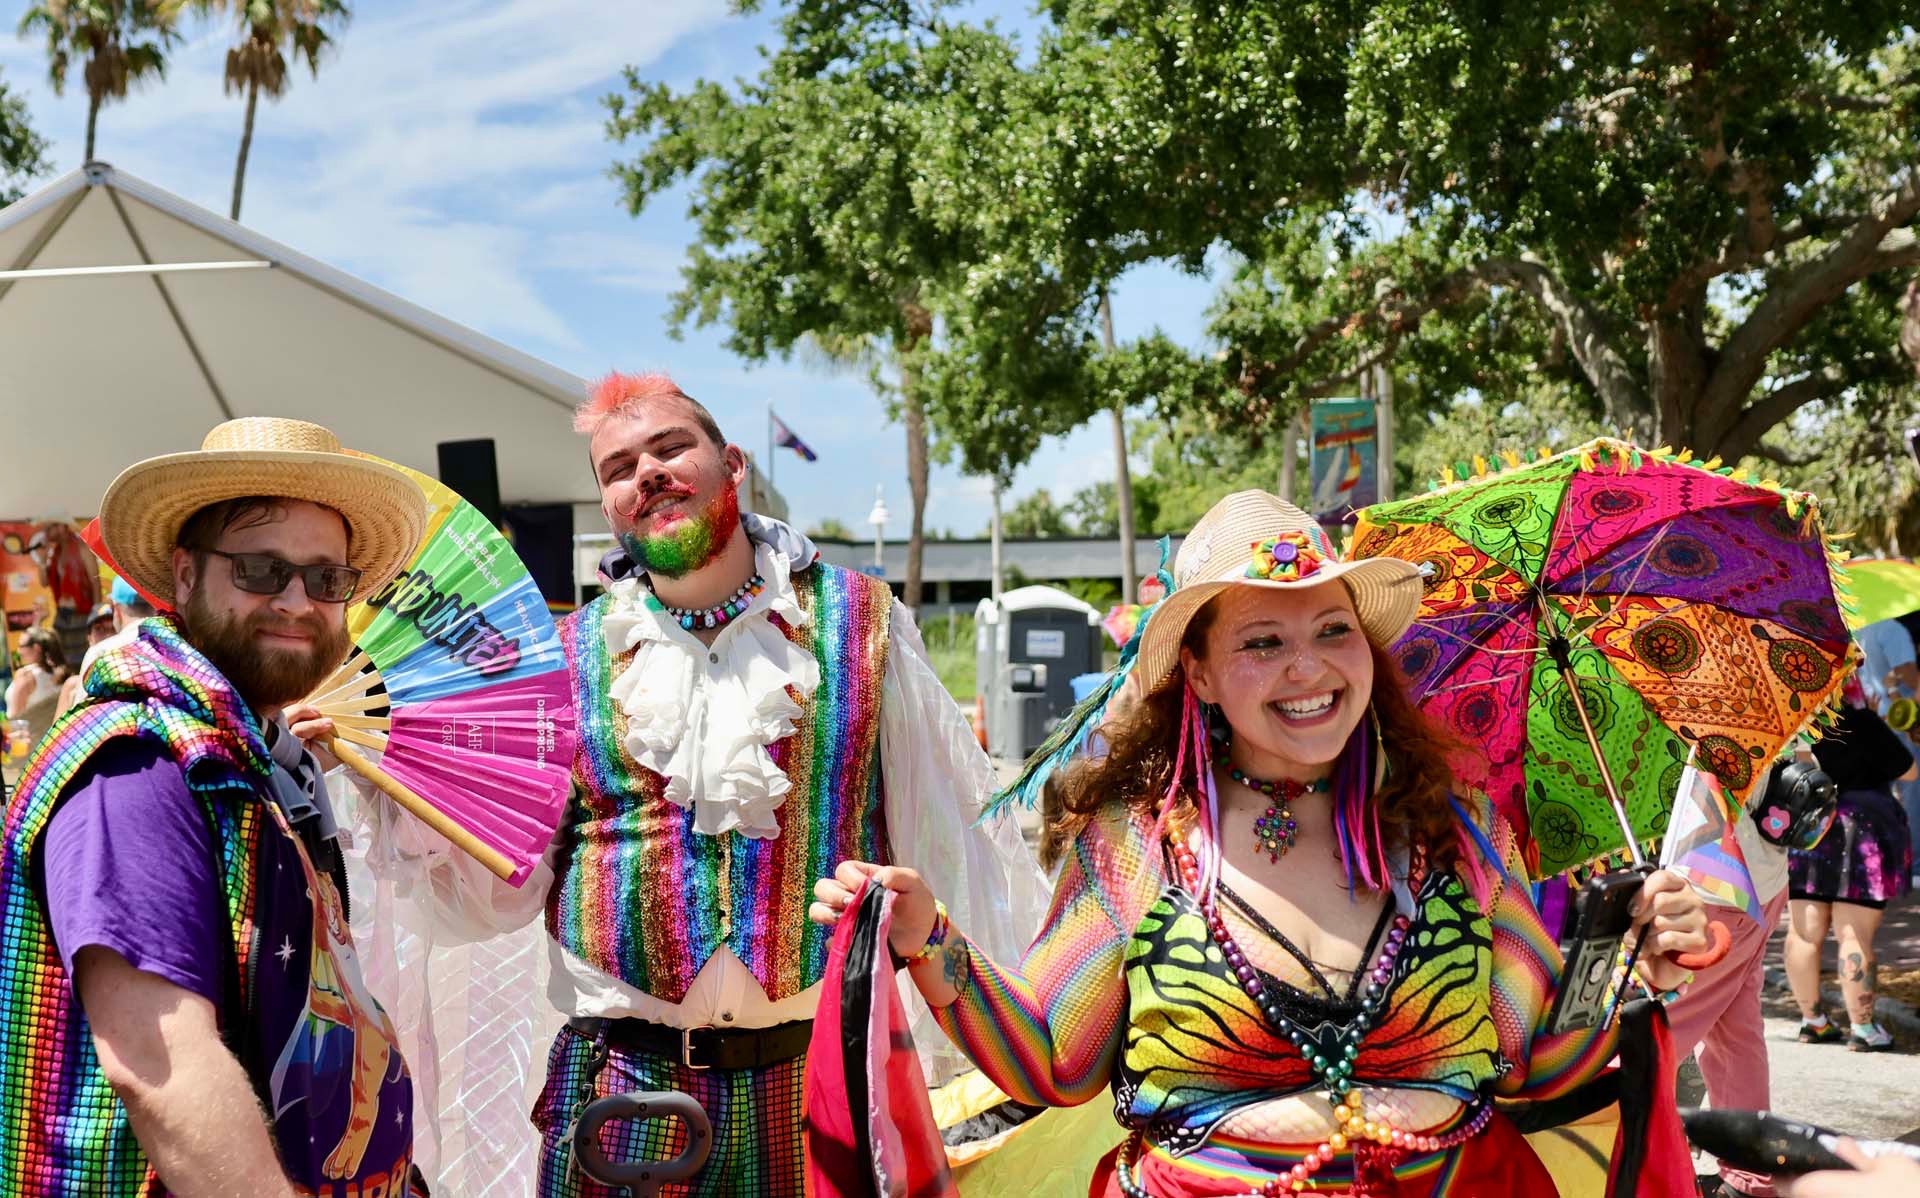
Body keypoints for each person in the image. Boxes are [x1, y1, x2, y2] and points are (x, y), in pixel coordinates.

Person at [814, 491, 1711, 1197]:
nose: (1308, 666)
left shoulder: (1456, 824)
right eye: (1263, 640)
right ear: (1197, 673)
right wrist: (929, 940)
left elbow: (1534, 1064)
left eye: (1332, 630)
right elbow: (1056, 1062)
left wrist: (1631, 966)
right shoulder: (1138, 843)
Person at [319, 372, 1050, 1197]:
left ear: (732, 463)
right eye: (620, 466)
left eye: (671, 448)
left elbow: (954, 836)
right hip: (623, 1086)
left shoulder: (864, 621)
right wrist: (386, 775)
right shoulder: (561, 659)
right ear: (610, 509)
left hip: (819, 1081)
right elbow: (497, 893)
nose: (648, 473)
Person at [0, 417, 430, 1196]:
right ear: (186, 573)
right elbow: (159, 1065)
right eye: (263, 570)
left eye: (327, 579)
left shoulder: (235, 750)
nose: (298, 601)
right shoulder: (138, 756)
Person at [1784, 690, 1914, 1051]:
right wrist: (1875, 720)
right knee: (1854, 935)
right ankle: (1864, 1028)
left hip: (1810, 829)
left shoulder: (1798, 726)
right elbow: (1910, 771)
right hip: (1863, 836)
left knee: (1803, 933)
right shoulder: (1860, 721)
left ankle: (1813, 1022)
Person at [6, 625, 70, 749]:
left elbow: (16, 720)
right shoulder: (61, 675)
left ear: (36, 648)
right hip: (53, 745)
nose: (18, 651)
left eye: (21, 646)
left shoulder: (26, 676)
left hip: (27, 747)